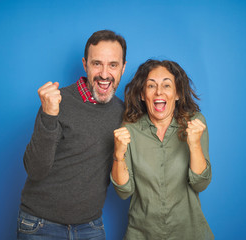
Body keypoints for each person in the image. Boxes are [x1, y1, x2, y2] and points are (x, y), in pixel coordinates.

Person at [17, 30, 127, 240]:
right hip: (40, 225)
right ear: (85, 65)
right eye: (97, 64)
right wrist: (49, 116)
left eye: (113, 65)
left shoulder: (122, 113)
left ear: (123, 67)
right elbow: (35, 170)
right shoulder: (57, 102)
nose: (104, 74)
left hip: (90, 227)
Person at [111, 59, 214, 240]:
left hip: (189, 233)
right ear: (142, 94)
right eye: (151, 86)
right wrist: (118, 155)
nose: (159, 91)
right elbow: (124, 191)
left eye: (167, 85)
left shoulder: (195, 124)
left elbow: (201, 184)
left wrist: (194, 144)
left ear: (177, 93)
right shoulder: (128, 130)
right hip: (141, 234)